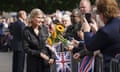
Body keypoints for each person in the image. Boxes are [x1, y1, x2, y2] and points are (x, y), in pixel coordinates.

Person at [74, 0, 120, 71]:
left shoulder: (106, 31)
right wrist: (97, 32)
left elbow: (90, 46)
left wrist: (86, 31)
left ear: (102, 13)